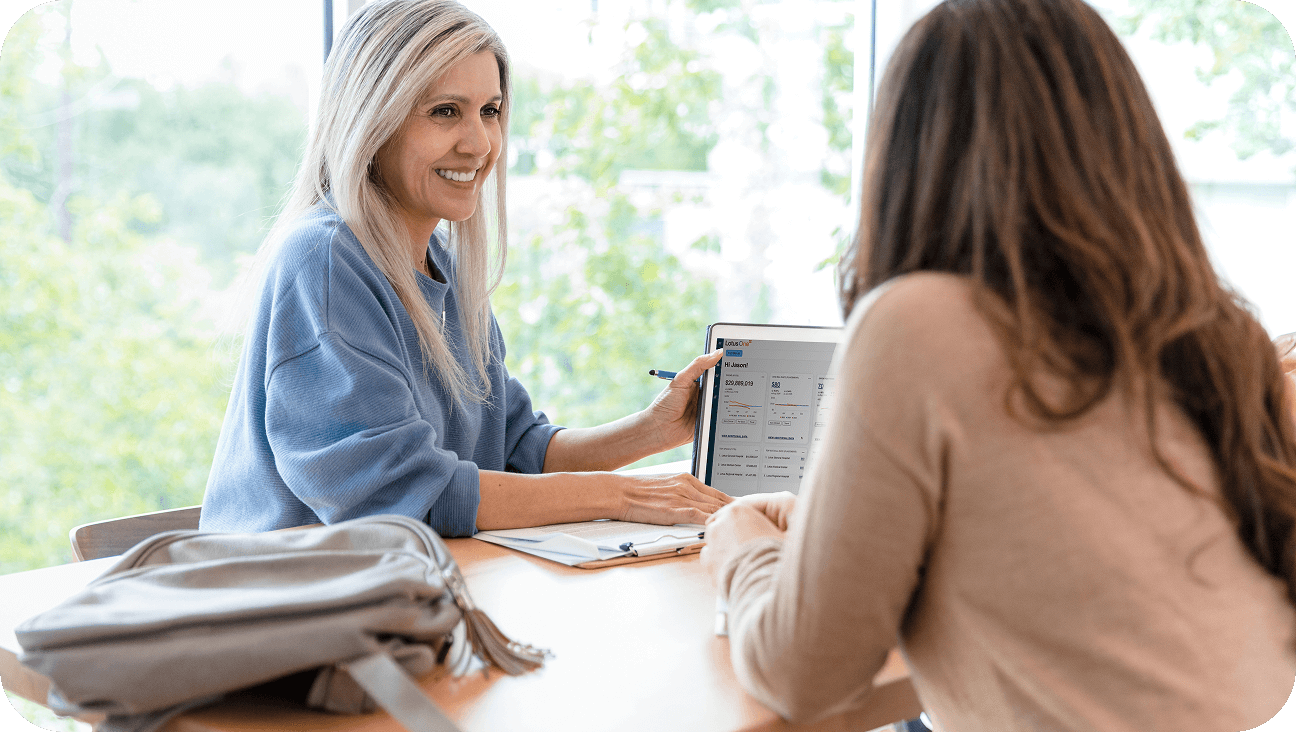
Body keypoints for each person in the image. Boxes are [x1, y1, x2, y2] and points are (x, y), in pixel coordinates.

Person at [700, 0, 1296, 729]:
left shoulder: (918, 324)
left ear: (911, 158)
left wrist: (740, 546)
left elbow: (804, 675)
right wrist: (828, 536)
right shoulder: (1213, 337)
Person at [201, 0, 730, 536]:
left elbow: (515, 450)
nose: (479, 144)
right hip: (292, 606)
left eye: (490, 111)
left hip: (402, 589)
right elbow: (400, 495)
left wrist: (654, 429)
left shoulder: (441, 267)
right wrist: (620, 495)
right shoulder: (326, 262)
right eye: (445, 111)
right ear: (372, 120)